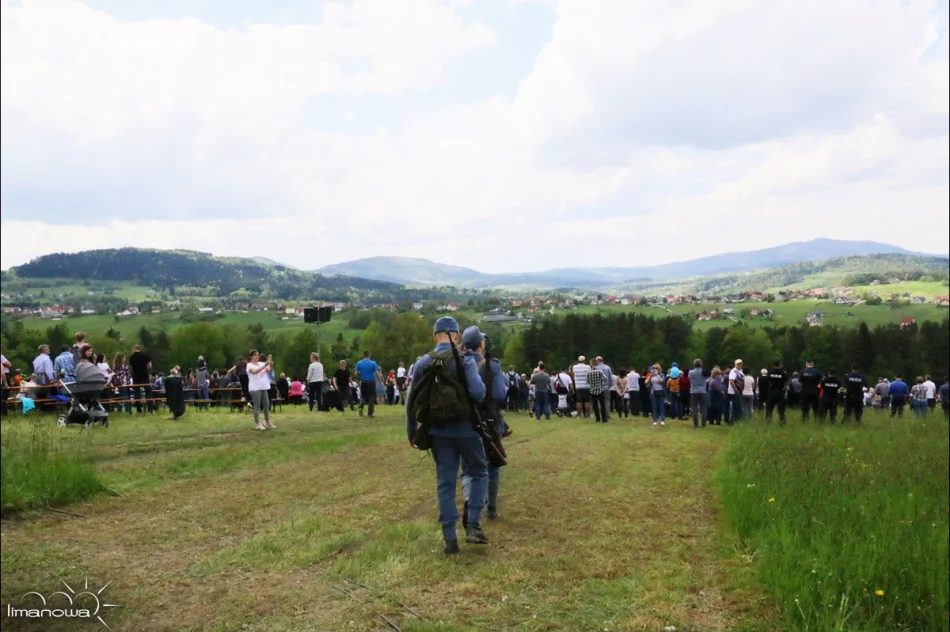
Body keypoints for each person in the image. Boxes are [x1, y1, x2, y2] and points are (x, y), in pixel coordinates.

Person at [405, 317, 488, 555]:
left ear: (435, 336)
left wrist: (412, 432)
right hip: (466, 429)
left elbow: (411, 401)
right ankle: (472, 524)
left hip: (437, 432)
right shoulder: (464, 358)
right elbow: (478, 392)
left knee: (445, 482)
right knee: (478, 471)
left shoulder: (422, 362)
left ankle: (450, 538)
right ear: (456, 335)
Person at [459, 326, 509, 525]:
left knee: (468, 467)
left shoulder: (457, 363)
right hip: (488, 419)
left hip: (464, 420)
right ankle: (491, 508)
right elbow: (498, 395)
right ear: (481, 343)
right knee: (493, 465)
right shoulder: (492, 365)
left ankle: (470, 500)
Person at [247, 350, 275, 430]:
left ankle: (267, 421)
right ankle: (257, 423)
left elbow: (269, 369)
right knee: (257, 406)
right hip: (255, 388)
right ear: (251, 356)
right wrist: (264, 365)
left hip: (264, 387)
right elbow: (255, 372)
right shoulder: (249, 365)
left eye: (258, 355)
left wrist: (270, 364)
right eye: (255, 355)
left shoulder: (262, 363)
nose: (257, 356)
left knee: (266, 404)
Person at [355, 351, 381, 418]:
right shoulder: (373, 363)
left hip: (363, 382)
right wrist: (380, 381)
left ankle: (360, 407)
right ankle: (370, 413)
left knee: (363, 396)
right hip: (371, 382)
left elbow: (355, 373)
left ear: (363, 355)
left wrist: (361, 374)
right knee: (371, 397)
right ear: (369, 355)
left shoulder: (359, 363)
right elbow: (377, 372)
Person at [765, 360, 789, 424]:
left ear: (774, 365)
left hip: (772, 392)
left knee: (769, 408)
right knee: (781, 408)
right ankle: (782, 421)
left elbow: (767, 381)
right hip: (780, 392)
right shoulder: (783, 373)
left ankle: (768, 420)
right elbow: (786, 382)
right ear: (780, 365)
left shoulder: (770, 373)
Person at [587, 358, 609, 423]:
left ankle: (597, 419)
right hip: (600, 389)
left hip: (593, 390)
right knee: (602, 405)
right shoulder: (600, 371)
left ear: (591, 364)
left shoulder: (589, 372)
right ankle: (604, 419)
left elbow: (587, 381)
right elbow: (605, 378)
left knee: (595, 405)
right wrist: (600, 381)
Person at [688, 359, 707, 428]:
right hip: (702, 391)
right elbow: (706, 379)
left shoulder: (691, 372)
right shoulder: (704, 371)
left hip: (694, 391)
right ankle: (703, 424)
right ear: (701, 364)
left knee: (694, 407)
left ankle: (696, 423)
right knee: (703, 407)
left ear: (694, 364)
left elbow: (690, 379)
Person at [725, 360, 745, 425]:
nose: (739, 365)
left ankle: (735, 421)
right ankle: (733, 421)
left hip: (739, 391)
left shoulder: (741, 371)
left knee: (737, 407)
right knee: (736, 407)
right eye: (738, 364)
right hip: (733, 392)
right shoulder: (733, 371)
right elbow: (731, 381)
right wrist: (736, 390)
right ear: (735, 364)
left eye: (740, 364)